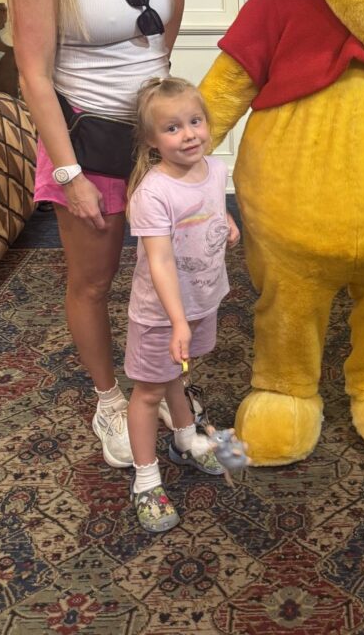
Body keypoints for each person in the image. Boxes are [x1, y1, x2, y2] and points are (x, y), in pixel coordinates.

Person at [7, 0, 185, 471]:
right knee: (94, 280)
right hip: (89, 143)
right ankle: (109, 399)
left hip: (154, 143)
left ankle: (162, 384)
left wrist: (159, 76)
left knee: (164, 272)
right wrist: (71, 175)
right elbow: (32, 74)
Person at [125, 77, 240, 533]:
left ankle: (185, 441)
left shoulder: (214, 169)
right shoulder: (152, 194)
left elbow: (209, 205)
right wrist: (176, 322)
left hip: (202, 299)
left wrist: (226, 220)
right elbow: (160, 262)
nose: (189, 134)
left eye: (195, 121)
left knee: (179, 374)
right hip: (161, 315)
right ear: (152, 141)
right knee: (149, 391)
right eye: (173, 128)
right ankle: (146, 481)